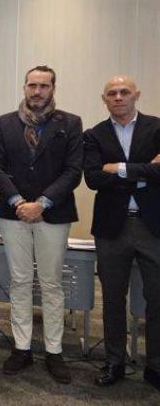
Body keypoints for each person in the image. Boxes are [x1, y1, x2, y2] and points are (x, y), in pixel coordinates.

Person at [0, 65, 82, 384]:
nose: (37, 91)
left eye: (44, 85)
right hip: (13, 212)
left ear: (53, 88)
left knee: (51, 283)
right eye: (32, 85)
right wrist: (18, 202)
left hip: (52, 214)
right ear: (25, 87)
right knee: (19, 281)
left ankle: (54, 351)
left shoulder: (70, 123)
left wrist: (42, 203)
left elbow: (73, 171)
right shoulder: (5, 122)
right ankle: (22, 347)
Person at [83, 76, 160, 389]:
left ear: (136, 95)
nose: (118, 97)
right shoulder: (94, 135)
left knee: (157, 298)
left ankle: (155, 366)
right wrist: (146, 171)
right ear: (104, 99)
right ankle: (114, 362)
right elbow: (93, 178)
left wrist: (119, 168)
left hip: (153, 226)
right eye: (111, 93)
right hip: (111, 228)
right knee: (113, 298)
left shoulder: (157, 128)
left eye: (124, 92)